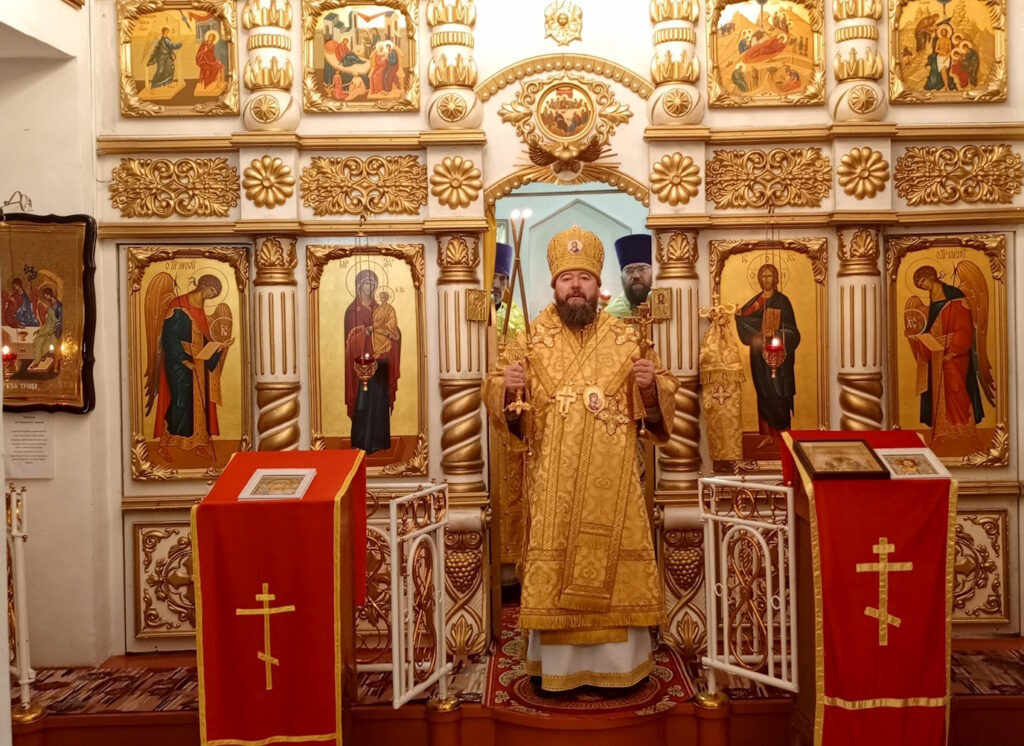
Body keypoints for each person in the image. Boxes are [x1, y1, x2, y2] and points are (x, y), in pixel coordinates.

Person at [482, 225, 677, 692]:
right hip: (554, 487)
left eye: (584, 278)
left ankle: (622, 667)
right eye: (567, 278)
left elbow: (662, 400)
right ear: (554, 285)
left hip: (614, 486)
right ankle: (557, 669)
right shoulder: (529, 340)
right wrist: (506, 389)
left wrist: (651, 387)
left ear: (597, 284)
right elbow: (496, 393)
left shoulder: (626, 339)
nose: (575, 286)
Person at [148, 274, 233, 462]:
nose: (212, 295)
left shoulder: (201, 312)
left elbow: (203, 340)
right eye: (212, 291)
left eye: (215, 294)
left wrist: (217, 348)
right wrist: (183, 360)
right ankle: (165, 444)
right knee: (181, 402)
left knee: (200, 406)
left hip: (199, 364)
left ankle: (200, 445)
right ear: (204, 286)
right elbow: (169, 337)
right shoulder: (178, 307)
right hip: (179, 364)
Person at [905, 265, 985, 450]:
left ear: (931, 277)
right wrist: (917, 339)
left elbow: (964, 328)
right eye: (919, 285)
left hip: (955, 356)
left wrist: (953, 351)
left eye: (922, 281)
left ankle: (969, 432)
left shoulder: (955, 297)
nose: (922, 286)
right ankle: (942, 434)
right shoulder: (932, 304)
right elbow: (928, 330)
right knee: (939, 395)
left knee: (957, 388)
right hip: (937, 356)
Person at [735, 263, 800, 451]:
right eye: (763, 276)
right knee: (763, 392)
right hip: (758, 356)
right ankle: (768, 436)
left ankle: (784, 435)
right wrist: (738, 316)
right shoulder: (755, 302)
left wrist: (777, 332)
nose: (766, 279)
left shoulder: (783, 301)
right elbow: (743, 321)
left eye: (769, 275)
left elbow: (793, 333)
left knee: (778, 392)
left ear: (776, 278)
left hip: (778, 358)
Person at [344, 269, 400, 454]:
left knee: (379, 402)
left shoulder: (381, 309)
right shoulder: (352, 311)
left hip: (381, 363)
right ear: (359, 286)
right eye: (367, 283)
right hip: (362, 365)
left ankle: (379, 442)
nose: (371, 287)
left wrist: (391, 334)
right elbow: (350, 339)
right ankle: (361, 443)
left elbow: (393, 329)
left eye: (373, 284)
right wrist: (365, 332)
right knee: (363, 403)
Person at [605, 234, 653, 319]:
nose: (636, 275)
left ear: (654, 271)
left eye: (642, 269)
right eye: (629, 270)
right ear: (621, 276)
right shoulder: (610, 316)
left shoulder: (665, 306)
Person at [492, 242, 525, 342]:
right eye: (493, 277)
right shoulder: (474, 313)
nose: (496, 285)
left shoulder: (515, 316)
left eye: (502, 278)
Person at [31, 287, 62, 366]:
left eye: (47, 296)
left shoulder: (58, 306)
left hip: (55, 329)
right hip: (48, 327)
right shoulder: (51, 304)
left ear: (51, 294)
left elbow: (60, 321)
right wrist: (41, 329)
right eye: (45, 297)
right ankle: (37, 360)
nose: (47, 298)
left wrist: (55, 331)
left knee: (47, 341)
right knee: (37, 339)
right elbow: (48, 320)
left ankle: (40, 358)